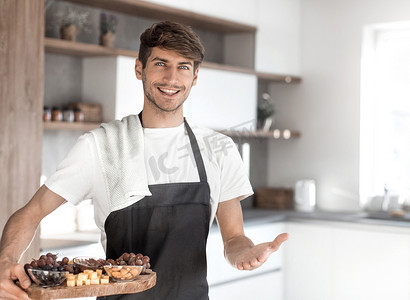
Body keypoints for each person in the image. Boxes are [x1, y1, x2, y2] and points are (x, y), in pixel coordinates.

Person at [0, 21, 288, 300]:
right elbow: (30, 213)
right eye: (161, 63)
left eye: (183, 67)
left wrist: (245, 253)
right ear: (140, 69)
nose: (172, 79)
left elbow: (234, 238)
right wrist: (4, 262)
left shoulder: (219, 148)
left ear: (195, 76)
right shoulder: (100, 145)